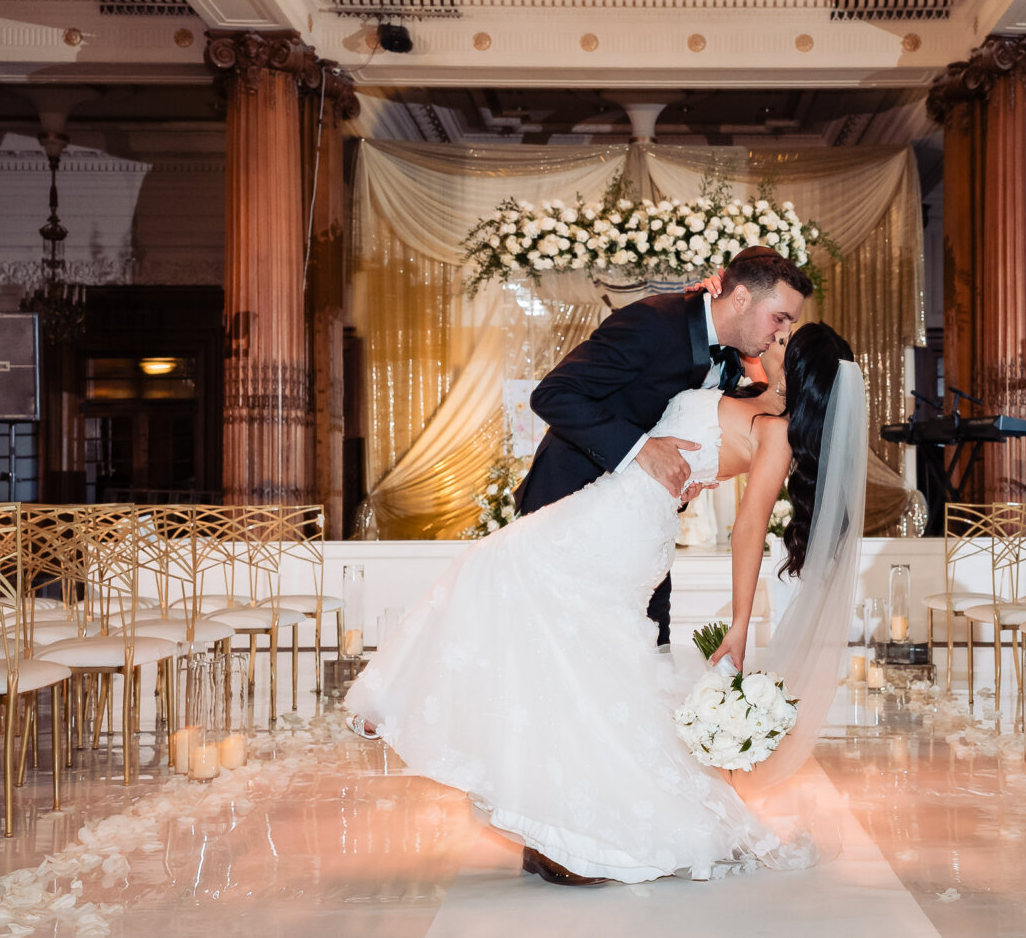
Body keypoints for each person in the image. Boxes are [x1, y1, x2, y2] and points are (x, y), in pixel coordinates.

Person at [344, 321, 861, 886]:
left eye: (786, 341)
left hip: (626, 530)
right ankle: (553, 808)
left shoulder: (777, 430)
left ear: (802, 370)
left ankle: (396, 702)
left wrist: (739, 623)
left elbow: (748, 528)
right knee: (554, 629)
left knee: (503, 572)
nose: (772, 339)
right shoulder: (745, 393)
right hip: (609, 507)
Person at [515, 245, 812, 646]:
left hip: (640, 529)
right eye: (779, 318)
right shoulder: (653, 321)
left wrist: (681, 486)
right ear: (740, 298)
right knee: (559, 652)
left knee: (652, 645)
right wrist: (642, 449)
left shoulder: (730, 362)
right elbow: (552, 394)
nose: (780, 333)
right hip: (569, 506)